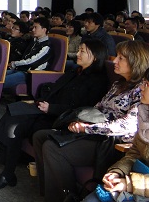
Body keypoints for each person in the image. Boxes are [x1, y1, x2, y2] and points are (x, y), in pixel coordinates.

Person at [0, 39, 109, 190]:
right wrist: (42, 102)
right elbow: (55, 90)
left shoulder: (98, 80)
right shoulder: (75, 71)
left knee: (15, 124)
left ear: (94, 57)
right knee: (13, 114)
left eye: (82, 51)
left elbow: (83, 109)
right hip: (48, 110)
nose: (78, 54)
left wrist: (51, 108)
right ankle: (4, 169)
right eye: (79, 50)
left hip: (63, 119)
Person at [33, 40, 149, 202]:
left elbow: (125, 126)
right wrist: (83, 121)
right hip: (95, 131)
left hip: (110, 141)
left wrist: (87, 128)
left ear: (134, 62)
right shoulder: (118, 84)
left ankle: (66, 197)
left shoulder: (140, 92)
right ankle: (48, 191)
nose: (114, 60)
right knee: (40, 136)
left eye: (121, 58)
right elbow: (98, 107)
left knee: (52, 148)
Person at [82, 68, 149, 202]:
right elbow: (134, 153)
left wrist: (129, 183)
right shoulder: (145, 115)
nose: (141, 87)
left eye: (147, 84)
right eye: (143, 82)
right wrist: (117, 172)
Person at [3, 17, 53, 89]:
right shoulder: (34, 41)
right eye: (33, 27)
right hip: (21, 69)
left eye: (36, 27)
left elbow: (32, 62)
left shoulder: (46, 46)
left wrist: (15, 63)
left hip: (31, 74)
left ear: (44, 29)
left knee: (1, 81)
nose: (33, 30)